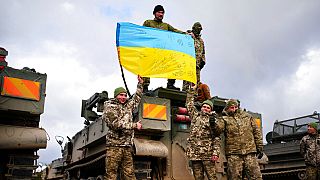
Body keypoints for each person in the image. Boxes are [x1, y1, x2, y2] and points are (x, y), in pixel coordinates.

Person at [102, 75, 143, 180]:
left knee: (130, 175)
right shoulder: (110, 107)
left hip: (126, 146)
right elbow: (115, 124)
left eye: (125, 95)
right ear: (116, 95)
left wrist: (140, 84)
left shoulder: (127, 106)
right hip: (114, 146)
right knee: (111, 175)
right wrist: (134, 125)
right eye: (121, 95)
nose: (123, 97)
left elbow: (136, 99)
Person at [214, 99, 263, 180]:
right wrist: (213, 124)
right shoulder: (224, 119)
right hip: (234, 154)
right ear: (227, 108)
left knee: (256, 177)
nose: (234, 109)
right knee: (234, 177)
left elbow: (256, 132)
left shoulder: (247, 117)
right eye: (232, 107)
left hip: (249, 152)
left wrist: (260, 147)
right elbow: (218, 130)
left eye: (235, 107)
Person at [142, 5, 185, 91]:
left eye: (162, 13)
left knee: (173, 62)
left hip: (163, 51)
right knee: (146, 65)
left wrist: (186, 33)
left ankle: (170, 84)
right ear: (154, 13)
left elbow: (176, 31)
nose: (161, 14)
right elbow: (142, 33)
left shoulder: (166, 26)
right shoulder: (148, 23)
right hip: (151, 50)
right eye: (159, 12)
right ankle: (145, 86)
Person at [185, 84, 220, 180]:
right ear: (201, 107)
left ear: (211, 110)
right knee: (198, 178)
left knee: (212, 177)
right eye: (204, 106)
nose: (205, 108)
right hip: (195, 154)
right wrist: (191, 91)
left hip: (207, 155)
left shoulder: (213, 120)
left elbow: (217, 137)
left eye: (208, 108)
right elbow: (189, 104)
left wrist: (215, 153)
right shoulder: (195, 116)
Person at [182, 22, 206, 91]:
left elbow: (203, 52)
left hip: (197, 66)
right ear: (194, 28)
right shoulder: (188, 36)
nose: (199, 31)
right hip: (188, 64)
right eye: (198, 29)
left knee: (196, 84)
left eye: (200, 30)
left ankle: (194, 97)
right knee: (187, 83)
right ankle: (185, 96)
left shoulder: (201, 41)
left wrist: (203, 61)